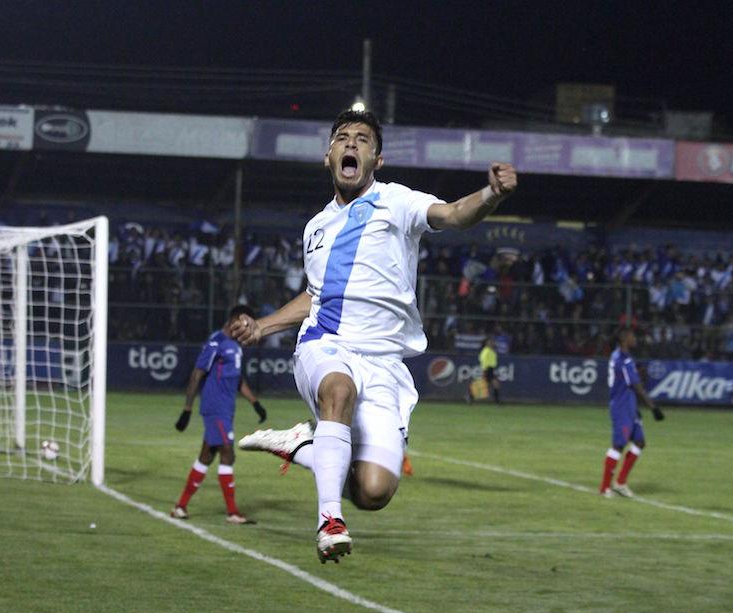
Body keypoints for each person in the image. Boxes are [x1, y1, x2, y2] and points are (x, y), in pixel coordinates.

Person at [229, 109, 517, 563]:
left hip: (385, 363)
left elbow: (456, 215)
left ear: (376, 159)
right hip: (327, 345)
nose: (351, 144)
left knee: (374, 490)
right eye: (342, 138)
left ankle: (307, 443)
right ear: (328, 156)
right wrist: (264, 326)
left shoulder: (397, 202)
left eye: (362, 140)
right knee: (337, 390)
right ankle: (329, 521)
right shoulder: (316, 228)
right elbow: (316, 295)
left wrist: (491, 194)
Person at [170, 304, 268, 524]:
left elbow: (238, 379)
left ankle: (180, 507)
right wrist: (187, 409)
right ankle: (232, 512)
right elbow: (197, 373)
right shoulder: (217, 342)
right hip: (215, 409)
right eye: (243, 324)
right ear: (234, 320)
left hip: (226, 409)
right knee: (227, 453)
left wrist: (255, 403)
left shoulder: (236, 346)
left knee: (206, 456)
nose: (246, 330)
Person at [599, 327, 664, 498]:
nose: (635, 338)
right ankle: (605, 487)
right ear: (623, 339)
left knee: (640, 442)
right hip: (622, 407)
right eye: (631, 336)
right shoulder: (622, 359)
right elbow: (636, 386)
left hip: (630, 405)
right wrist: (653, 407)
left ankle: (620, 483)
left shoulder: (622, 356)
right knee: (618, 445)